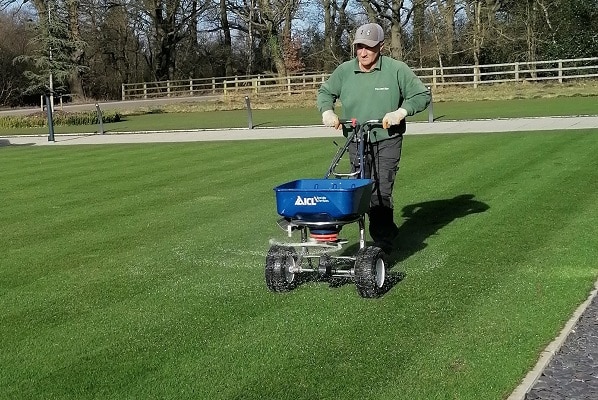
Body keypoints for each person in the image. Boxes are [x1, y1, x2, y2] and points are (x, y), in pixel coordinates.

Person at [316, 22, 431, 253]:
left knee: (381, 191)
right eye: (359, 47)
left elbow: (421, 95)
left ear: (381, 46)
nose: (363, 52)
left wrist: (400, 112)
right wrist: (327, 111)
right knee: (361, 189)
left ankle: (382, 244)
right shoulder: (345, 71)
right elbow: (325, 92)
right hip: (356, 138)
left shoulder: (396, 69)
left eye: (368, 47)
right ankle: (384, 229)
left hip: (387, 138)